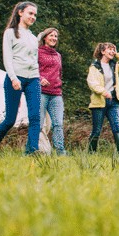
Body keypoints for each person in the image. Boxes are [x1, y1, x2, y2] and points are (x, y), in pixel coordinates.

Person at [0, 1, 43, 155]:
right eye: (30, 13)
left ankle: (31, 151)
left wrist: (38, 77)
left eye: (35, 15)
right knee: (10, 120)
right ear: (20, 12)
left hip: (33, 79)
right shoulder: (10, 33)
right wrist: (13, 78)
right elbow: (7, 58)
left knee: (35, 117)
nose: (33, 17)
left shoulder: (33, 37)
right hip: (15, 78)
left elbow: (34, 59)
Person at [86, 42, 119, 155]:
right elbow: (92, 83)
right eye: (110, 49)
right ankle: (91, 154)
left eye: (114, 49)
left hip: (113, 102)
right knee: (97, 130)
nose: (112, 51)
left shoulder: (114, 66)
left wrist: (117, 55)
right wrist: (104, 92)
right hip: (99, 102)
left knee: (117, 127)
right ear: (102, 51)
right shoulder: (94, 67)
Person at [38, 27, 67, 155]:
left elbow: (59, 73)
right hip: (41, 92)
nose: (54, 38)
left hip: (56, 93)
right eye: (51, 35)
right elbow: (31, 69)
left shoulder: (58, 55)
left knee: (58, 124)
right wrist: (40, 78)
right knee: (38, 124)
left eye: (56, 36)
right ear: (45, 37)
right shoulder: (37, 52)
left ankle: (60, 151)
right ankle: (36, 149)